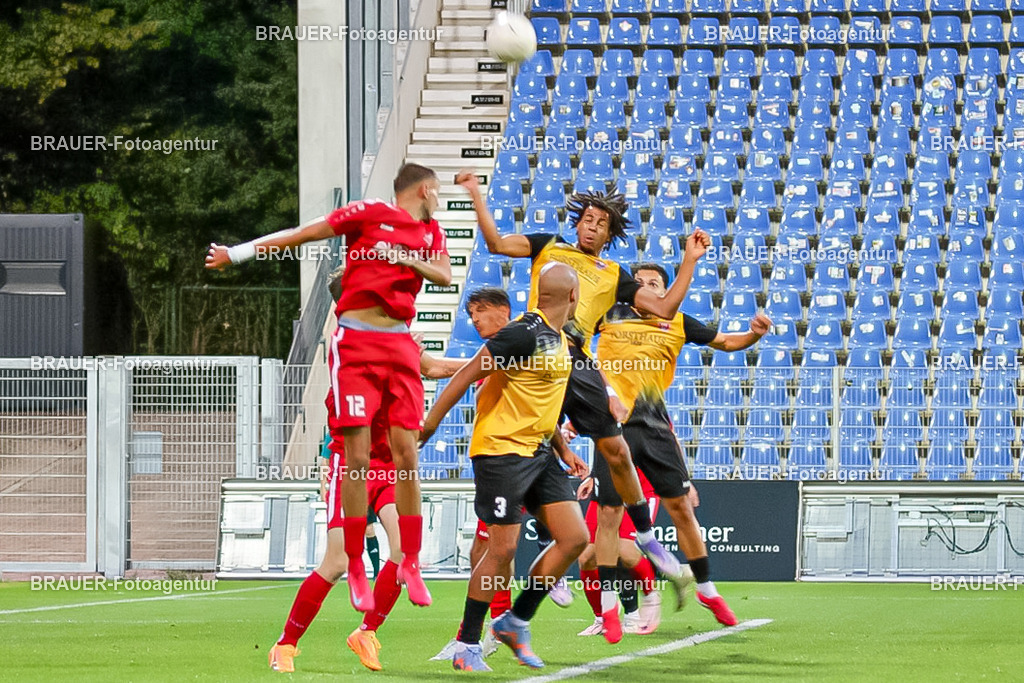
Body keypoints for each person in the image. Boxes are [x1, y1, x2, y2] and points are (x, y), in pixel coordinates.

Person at [460, 170, 709, 643]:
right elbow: (494, 243)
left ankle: (647, 541)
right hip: (539, 355)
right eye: (587, 219)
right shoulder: (548, 247)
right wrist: (475, 193)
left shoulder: (614, 275)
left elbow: (665, 308)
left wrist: (689, 261)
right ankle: (509, 600)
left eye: (601, 223)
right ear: (577, 222)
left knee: (615, 450)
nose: (592, 226)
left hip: (577, 362)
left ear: (610, 234)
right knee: (523, 457)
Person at [207, 163, 451, 617]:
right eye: (437, 192)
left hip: (399, 340)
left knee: (408, 455)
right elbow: (303, 234)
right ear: (424, 189)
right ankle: (355, 563)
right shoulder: (368, 213)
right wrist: (237, 254)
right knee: (356, 459)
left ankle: (411, 561)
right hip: (357, 341)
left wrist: (405, 259)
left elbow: (444, 275)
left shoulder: (432, 233)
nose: (440, 200)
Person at [421, 263, 590, 672]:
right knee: (502, 549)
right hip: (500, 453)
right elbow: (465, 376)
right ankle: (467, 645)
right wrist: (427, 428)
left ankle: (515, 621)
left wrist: (562, 449)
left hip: (539, 452)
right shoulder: (522, 333)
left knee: (574, 538)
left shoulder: (559, 340)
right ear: (573, 296)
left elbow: (540, 400)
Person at [593, 262, 773, 628]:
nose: (645, 287)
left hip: (656, 427)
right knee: (608, 515)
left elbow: (726, 342)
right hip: (613, 428)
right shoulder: (607, 315)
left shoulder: (677, 321)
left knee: (681, 509)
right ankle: (609, 607)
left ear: (664, 292)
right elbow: (572, 340)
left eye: (653, 283)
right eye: (638, 283)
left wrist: (753, 335)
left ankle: (706, 589)